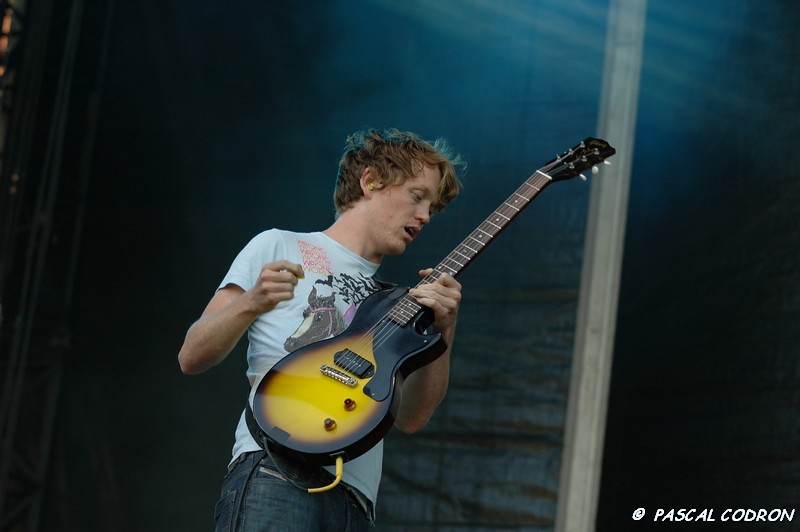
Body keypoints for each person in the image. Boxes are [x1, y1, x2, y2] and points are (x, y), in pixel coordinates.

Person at [178, 128, 464, 531]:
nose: (424, 216)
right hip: (276, 472)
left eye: (431, 208)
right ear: (370, 181)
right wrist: (251, 302)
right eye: (418, 196)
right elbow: (191, 356)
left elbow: (413, 419)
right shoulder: (280, 245)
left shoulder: (398, 305)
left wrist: (444, 331)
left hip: (355, 503)